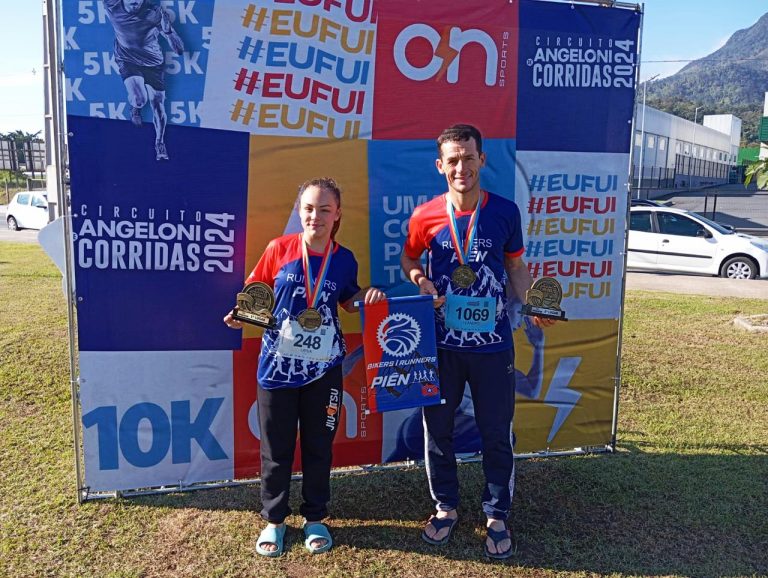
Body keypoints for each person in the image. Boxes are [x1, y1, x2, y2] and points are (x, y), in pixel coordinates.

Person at [400, 124, 555, 559]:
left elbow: (516, 268)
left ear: (482, 160)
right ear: (440, 166)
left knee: (495, 431)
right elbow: (409, 257)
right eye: (453, 159)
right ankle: (445, 506)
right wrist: (419, 278)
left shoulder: (505, 212)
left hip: (492, 347)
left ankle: (496, 512)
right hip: (442, 346)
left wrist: (533, 303)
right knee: (438, 432)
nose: (461, 167)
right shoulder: (425, 215)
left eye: (469, 157)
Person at [224, 178, 384, 557]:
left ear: (337, 215)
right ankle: (274, 520)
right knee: (276, 448)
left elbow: (347, 301)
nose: (316, 216)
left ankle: (315, 517)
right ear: (300, 211)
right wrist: (240, 313)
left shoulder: (344, 259)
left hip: (323, 370)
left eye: (325, 209)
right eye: (310, 208)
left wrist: (368, 296)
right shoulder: (278, 249)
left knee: (318, 446)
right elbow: (257, 292)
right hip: (277, 369)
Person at [102, 0, 185, 161]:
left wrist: (168, 32)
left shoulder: (154, 12)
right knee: (140, 100)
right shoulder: (111, 5)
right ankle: (135, 107)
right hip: (127, 59)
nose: (135, 1)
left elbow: (179, 50)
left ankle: (159, 142)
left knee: (158, 107)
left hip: (154, 63)